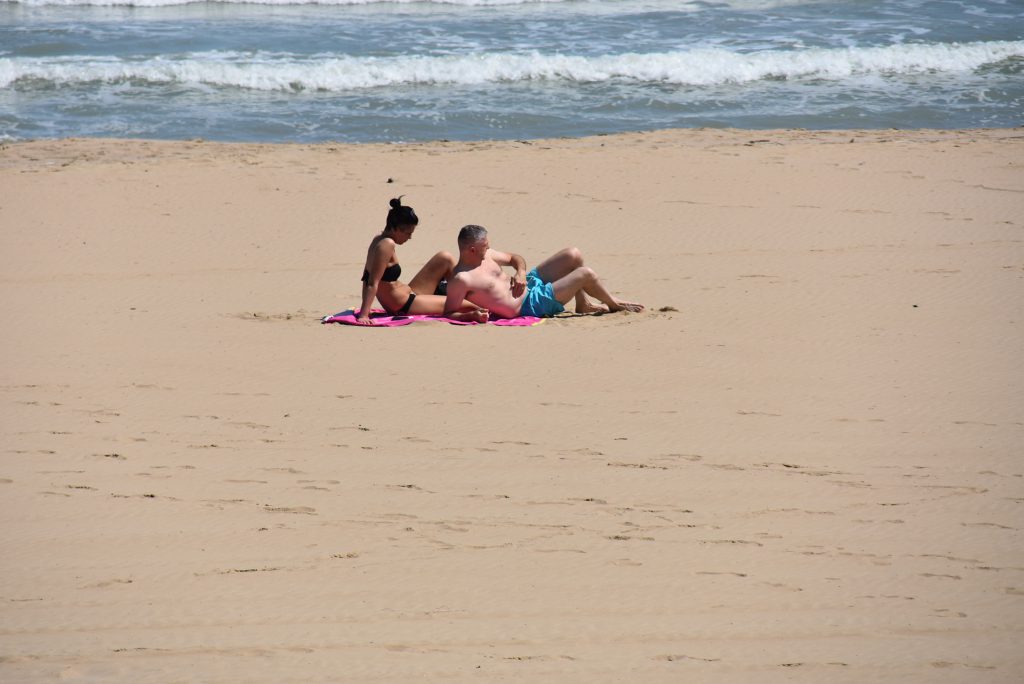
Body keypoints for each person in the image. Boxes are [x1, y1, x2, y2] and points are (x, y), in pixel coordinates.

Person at [444, 224, 643, 319]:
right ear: (471, 250)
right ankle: (614, 305)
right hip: (530, 304)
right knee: (585, 274)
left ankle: (583, 303)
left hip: (530, 283)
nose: (489, 248)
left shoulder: (488, 255)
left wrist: (521, 272)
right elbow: (449, 313)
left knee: (573, 254)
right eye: (485, 246)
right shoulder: (462, 279)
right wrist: (472, 316)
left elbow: (516, 258)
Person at [355, 198, 488, 325]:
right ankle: (475, 299)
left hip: (411, 293)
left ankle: (468, 289)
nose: (410, 237)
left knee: (445, 257)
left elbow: (366, 277)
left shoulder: (378, 239)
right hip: (405, 305)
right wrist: (364, 314)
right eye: (408, 233)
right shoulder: (387, 244)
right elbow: (371, 282)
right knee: (472, 306)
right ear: (396, 229)